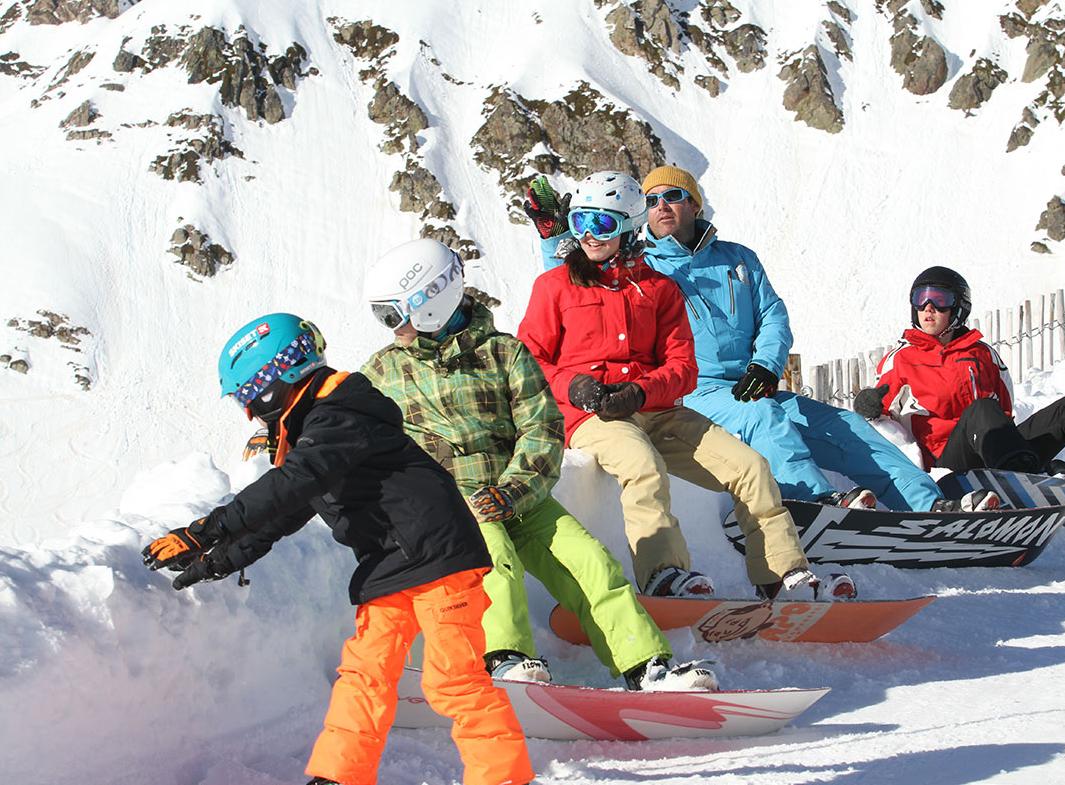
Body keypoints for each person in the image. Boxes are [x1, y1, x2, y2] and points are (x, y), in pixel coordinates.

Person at [141, 313, 532, 785]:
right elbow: (287, 509)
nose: (250, 412)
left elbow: (293, 482)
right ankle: (340, 776)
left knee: (453, 680)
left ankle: (503, 777)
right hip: (389, 563)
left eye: (249, 396)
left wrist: (205, 530)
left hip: (439, 557)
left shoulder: (339, 415)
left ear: (275, 381)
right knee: (365, 674)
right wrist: (218, 559)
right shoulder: (319, 430)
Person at [525, 166, 994, 514]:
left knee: (845, 426)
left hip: (751, 382)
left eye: (673, 196)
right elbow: (576, 277)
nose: (662, 205)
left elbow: (772, 315)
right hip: (692, 391)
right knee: (762, 417)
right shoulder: (642, 267)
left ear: (694, 205)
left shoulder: (737, 259)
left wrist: (766, 365)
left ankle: (928, 504)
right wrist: (552, 236)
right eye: (651, 200)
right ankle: (816, 502)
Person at [359, 238, 716, 691]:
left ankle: (645, 665)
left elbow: (541, 429)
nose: (394, 329)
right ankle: (503, 657)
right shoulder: (384, 373)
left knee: (592, 563)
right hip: (456, 503)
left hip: (521, 496)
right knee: (495, 561)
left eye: (394, 315)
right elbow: (354, 438)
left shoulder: (504, 354)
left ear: (431, 301)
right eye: (385, 317)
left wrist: (513, 490)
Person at [518, 171, 853, 602]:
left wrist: (642, 392)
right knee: (642, 465)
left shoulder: (658, 289)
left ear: (628, 225)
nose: (588, 235)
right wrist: (575, 386)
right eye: (579, 221)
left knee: (750, 468)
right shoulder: (555, 286)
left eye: (601, 223)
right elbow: (530, 360)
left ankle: (783, 575)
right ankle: (664, 574)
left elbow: (682, 367)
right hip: (590, 414)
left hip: (657, 410)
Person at [854, 265, 1065, 483]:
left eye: (939, 299)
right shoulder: (903, 358)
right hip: (949, 465)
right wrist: (868, 404)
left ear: (958, 308)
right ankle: (1027, 479)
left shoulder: (982, 354)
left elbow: (1006, 412)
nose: (928, 308)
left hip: (999, 453)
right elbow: (877, 414)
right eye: (921, 298)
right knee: (981, 410)